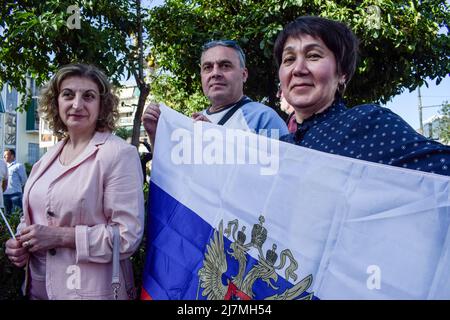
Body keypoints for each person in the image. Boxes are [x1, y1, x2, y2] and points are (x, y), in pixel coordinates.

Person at [5, 63, 145, 300]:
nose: (77, 104)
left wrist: (59, 236)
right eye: (68, 95)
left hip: (90, 292)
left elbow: (126, 236)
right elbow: (34, 217)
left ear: (101, 106)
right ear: (56, 102)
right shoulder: (47, 157)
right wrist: (21, 242)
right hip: (37, 289)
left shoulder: (118, 154)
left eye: (88, 96)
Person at [274, 16, 450, 175]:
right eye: (289, 59)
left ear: (342, 73)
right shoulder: (279, 147)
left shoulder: (368, 123)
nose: (298, 69)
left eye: (313, 56)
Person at [142, 40, 288, 149]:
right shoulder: (193, 123)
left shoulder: (264, 118)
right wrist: (155, 136)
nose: (215, 73)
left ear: (244, 75)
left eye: (225, 65)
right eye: (208, 67)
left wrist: (217, 142)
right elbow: (176, 176)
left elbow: (279, 177)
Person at [3, 149, 27, 215]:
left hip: (15, 194)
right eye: (4, 155)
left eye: (6, 155)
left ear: (12, 156)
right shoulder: (4, 167)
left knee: (18, 214)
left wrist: (17, 187)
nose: (4, 157)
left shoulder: (18, 166)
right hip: (5, 195)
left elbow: (24, 180)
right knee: (7, 215)